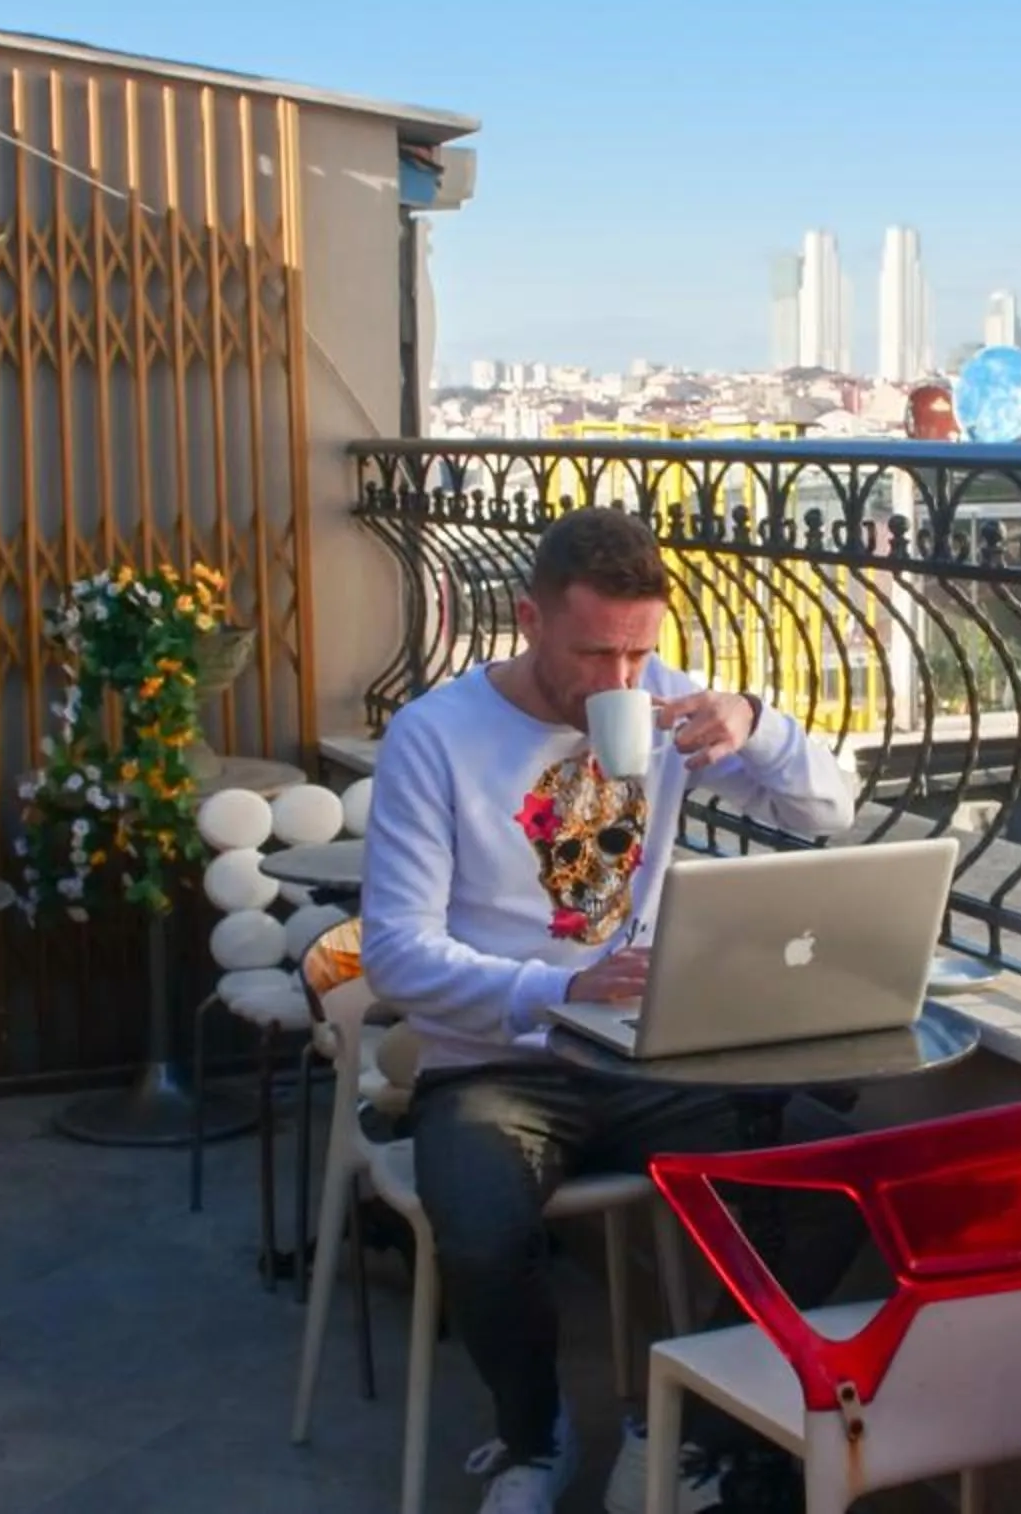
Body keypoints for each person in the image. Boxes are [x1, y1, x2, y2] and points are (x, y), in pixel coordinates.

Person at [360, 504, 868, 1514]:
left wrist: (758, 727)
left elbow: (831, 810)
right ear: (528, 617)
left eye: (640, 653)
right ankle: (531, 1440)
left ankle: (680, 1429)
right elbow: (396, 957)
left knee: (833, 1178)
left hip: (646, 1054)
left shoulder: (668, 703)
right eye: (595, 653)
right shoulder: (437, 737)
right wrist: (558, 991)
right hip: (496, 1061)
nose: (620, 683)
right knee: (478, 1224)